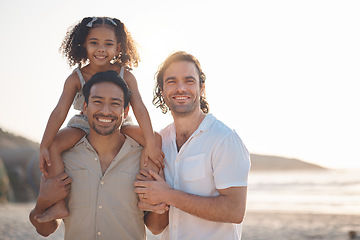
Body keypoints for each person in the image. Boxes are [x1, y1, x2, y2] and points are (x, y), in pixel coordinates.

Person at [37, 16, 164, 222]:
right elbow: (60, 111)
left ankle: (147, 196)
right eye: (94, 43)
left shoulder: (126, 75)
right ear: (83, 45)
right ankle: (59, 203)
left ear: (119, 47)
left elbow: (139, 108)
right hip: (83, 122)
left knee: (155, 140)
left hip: (119, 121)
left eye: (108, 44)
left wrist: (149, 144)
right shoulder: (76, 77)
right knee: (54, 146)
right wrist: (44, 144)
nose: (101, 49)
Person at [30, 71, 166, 239]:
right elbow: (44, 230)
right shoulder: (63, 156)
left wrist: (161, 199)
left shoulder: (144, 157)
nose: (105, 111)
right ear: (85, 108)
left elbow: (157, 227)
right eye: (97, 101)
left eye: (115, 104)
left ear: (126, 111)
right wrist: (43, 202)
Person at [134, 51, 251, 239]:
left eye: (189, 81)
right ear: (162, 91)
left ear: (201, 88)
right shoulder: (160, 142)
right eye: (171, 81)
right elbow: (156, 228)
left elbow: (234, 211)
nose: (180, 88)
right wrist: (154, 201)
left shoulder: (224, 139)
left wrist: (168, 195)